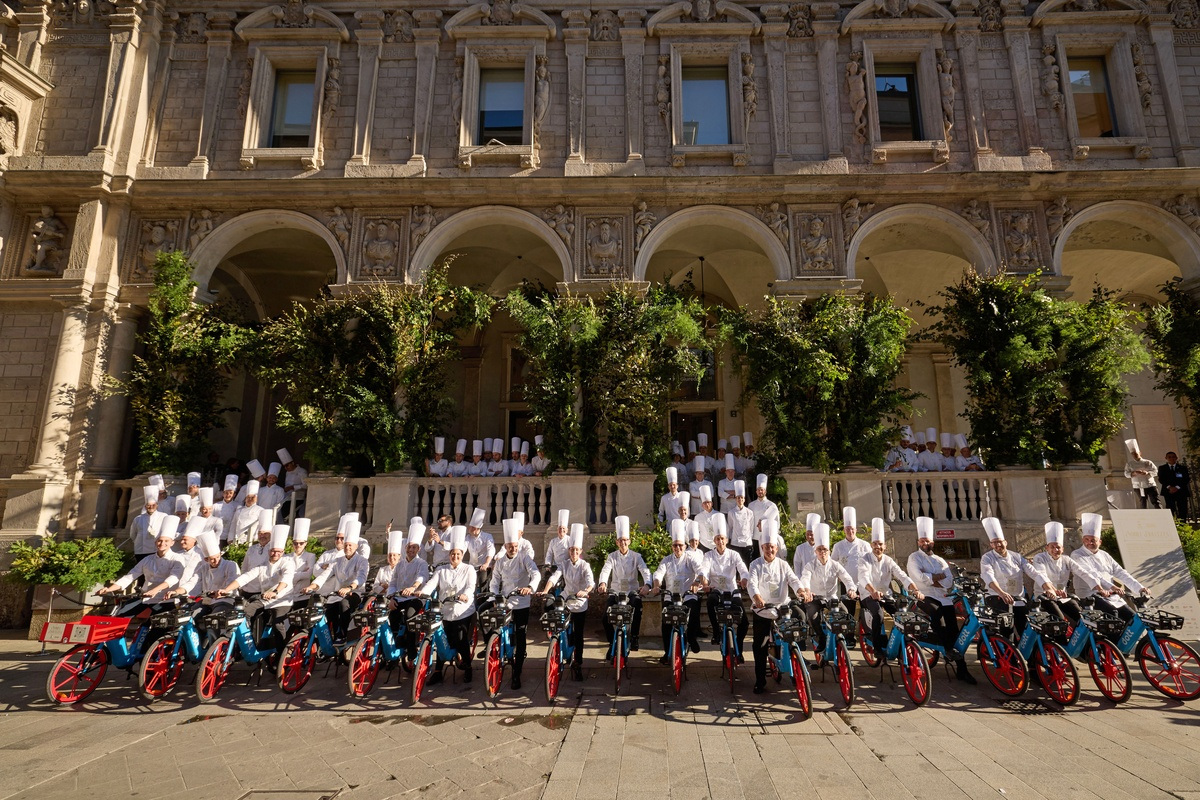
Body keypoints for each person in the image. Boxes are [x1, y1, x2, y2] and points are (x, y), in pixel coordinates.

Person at [906, 516, 976, 683]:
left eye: (927, 540)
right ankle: (946, 648)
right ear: (918, 542)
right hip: (923, 595)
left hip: (944, 597)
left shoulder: (940, 560)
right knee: (937, 612)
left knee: (955, 628)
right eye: (922, 540)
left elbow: (949, 581)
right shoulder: (913, 558)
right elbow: (918, 577)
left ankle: (962, 668)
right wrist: (937, 578)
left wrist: (933, 578)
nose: (925, 543)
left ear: (933, 542)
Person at [220, 524, 296, 651]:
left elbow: (286, 580)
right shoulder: (262, 566)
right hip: (265, 599)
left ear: (282, 552)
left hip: (282, 600)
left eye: (278, 551)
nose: (275, 553)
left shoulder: (287, 563)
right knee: (245, 612)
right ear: (268, 551)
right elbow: (245, 577)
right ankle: (248, 644)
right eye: (273, 550)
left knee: (277, 624)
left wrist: (276, 592)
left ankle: (282, 653)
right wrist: (226, 590)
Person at [747, 528, 804, 694]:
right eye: (766, 546)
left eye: (772, 547)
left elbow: (793, 579)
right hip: (762, 610)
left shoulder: (783, 564)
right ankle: (760, 680)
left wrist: (800, 590)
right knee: (760, 645)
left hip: (781, 607)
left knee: (797, 624)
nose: (769, 550)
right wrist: (757, 598)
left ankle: (797, 661)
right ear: (762, 548)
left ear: (776, 548)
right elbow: (752, 584)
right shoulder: (755, 565)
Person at [857, 518, 923, 663]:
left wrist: (915, 589)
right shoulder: (864, 559)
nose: (877, 547)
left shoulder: (888, 560)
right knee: (878, 615)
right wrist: (873, 591)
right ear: (871, 545)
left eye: (880, 544)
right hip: (868, 594)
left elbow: (901, 575)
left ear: (885, 546)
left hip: (885, 594)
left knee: (901, 615)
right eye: (875, 544)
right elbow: (863, 577)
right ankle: (878, 647)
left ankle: (899, 644)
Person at [418, 526, 478, 683]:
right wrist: (423, 593)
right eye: (452, 554)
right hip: (445, 608)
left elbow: (471, 586)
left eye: (458, 554)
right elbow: (432, 583)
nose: (455, 556)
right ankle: (438, 671)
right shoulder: (441, 569)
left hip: (463, 609)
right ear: (449, 555)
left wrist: (466, 595)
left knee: (461, 637)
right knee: (441, 638)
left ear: (462, 555)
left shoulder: (469, 569)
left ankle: (468, 666)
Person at [487, 518, 541, 689]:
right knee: (493, 625)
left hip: (522, 602)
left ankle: (517, 673)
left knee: (521, 634)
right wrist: (495, 596)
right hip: (505, 601)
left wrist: (530, 587)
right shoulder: (500, 561)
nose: (513, 549)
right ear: (506, 546)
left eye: (516, 546)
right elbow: (494, 581)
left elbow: (536, 574)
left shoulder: (524, 558)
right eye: (510, 546)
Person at [980, 517, 1056, 639]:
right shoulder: (987, 558)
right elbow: (988, 576)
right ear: (991, 544)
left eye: (1000, 541)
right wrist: (1002, 593)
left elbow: (1034, 573)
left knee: (1026, 628)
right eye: (994, 543)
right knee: (1007, 630)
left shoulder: (1016, 557)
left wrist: (1047, 588)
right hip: (996, 596)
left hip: (1017, 597)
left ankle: (1028, 655)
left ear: (1005, 542)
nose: (998, 545)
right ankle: (1008, 654)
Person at [1071, 512, 1151, 623]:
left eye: (1093, 540)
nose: (1090, 543)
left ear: (1100, 542)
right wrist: (1113, 587)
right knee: (1114, 616)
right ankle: (1110, 641)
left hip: (1111, 596)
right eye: (1086, 539)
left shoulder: (1104, 555)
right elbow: (1093, 574)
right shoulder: (1076, 555)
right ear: (1083, 540)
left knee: (1133, 618)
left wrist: (1140, 588)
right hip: (1090, 596)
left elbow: (1120, 572)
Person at [100, 516, 184, 617]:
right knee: (120, 616)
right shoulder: (147, 559)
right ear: (155, 542)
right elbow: (130, 576)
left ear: (172, 543)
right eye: (160, 540)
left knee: (152, 625)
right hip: (145, 598)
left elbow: (174, 578)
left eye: (166, 541)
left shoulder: (177, 558)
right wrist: (109, 589)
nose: (162, 543)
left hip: (166, 600)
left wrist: (155, 590)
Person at [540, 524, 594, 680]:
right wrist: (546, 590)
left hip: (579, 602)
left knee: (578, 635)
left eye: (577, 550)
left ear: (580, 551)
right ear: (569, 551)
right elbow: (554, 577)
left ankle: (578, 663)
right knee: (551, 606)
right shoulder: (564, 564)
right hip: (566, 597)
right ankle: (556, 640)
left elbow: (591, 581)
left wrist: (586, 590)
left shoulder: (585, 565)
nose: (574, 553)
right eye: (572, 550)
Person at [799, 523, 858, 664]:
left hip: (832, 598)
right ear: (815, 552)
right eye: (819, 549)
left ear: (829, 551)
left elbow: (847, 578)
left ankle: (843, 640)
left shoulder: (835, 565)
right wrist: (807, 591)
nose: (822, 552)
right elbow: (804, 578)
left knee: (846, 615)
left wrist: (851, 589)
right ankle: (821, 638)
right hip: (815, 598)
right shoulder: (810, 565)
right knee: (813, 617)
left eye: (824, 549)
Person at [306, 519, 369, 643]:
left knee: (344, 604)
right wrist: (312, 586)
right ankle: (329, 641)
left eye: (350, 545)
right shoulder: (337, 561)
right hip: (337, 594)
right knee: (328, 610)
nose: (347, 547)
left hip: (354, 593)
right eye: (346, 545)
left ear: (356, 546)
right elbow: (324, 575)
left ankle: (343, 634)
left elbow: (361, 577)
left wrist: (350, 587)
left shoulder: (362, 560)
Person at [653, 520, 707, 660]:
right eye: (675, 545)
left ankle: (692, 638)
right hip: (670, 596)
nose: (678, 548)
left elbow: (700, 570)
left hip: (687, 595)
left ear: (685, 546)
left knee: (693, 612)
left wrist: (697, 581)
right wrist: (656, 585)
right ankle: (667, 653)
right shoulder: (666, 560)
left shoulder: (691, 558)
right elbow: (659, 573)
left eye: (680, 545)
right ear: (672, 547)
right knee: (665, 623)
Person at [597, 515, 651, 652]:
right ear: (617, 542)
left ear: (630, 541)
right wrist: (602, 583)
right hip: (616, 592)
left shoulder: (636, 556)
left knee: (638, 606)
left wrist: (647, 585)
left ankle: (635, 637)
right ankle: (611, 644)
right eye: (621, 540)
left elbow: (644, 570)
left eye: (625, 540)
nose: (623, 543)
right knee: (605, 618)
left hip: (632, 591)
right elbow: (605, 570)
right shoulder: (612, 556)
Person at [1033, 521, 1104, 625]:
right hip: (1044, 596)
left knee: (1083, 618)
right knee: (1060, 621)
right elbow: (1041, 574)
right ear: (1047, 548)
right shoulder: (1039, 558)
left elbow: (1083, 572)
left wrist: (1100, 588)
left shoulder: (1066, 559)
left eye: (1058, 547)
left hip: (1062, 597)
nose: (1055, 550)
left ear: (1062, 549)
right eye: (1052, 547)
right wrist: (1052, 590)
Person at [703, 516, 749, 651]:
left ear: (727, 540)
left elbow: (742, 568)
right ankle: (716, 632)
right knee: (710, 601)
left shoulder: (734, 555)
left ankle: (739, 647)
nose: (720, 541)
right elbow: (704, 570)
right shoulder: (708, 556)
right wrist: (705, 582)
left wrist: (745, 578)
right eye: (717, 539)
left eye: (722, 538)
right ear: (714, 541)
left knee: (744, 622)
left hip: (732, 590)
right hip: (716, 589)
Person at [387, 521, 431, 660]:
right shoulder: (399, 564)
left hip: (415, 598)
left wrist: (413, 587)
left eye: (414, 547)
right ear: (405, 547)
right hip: (400, 598)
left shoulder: (421, 563)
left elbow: (422, 577)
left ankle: (411, 646)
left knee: (410, 617)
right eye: (409, 547)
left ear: (418, 549)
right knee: (392, 616)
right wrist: (391, 597)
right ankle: (396, 641)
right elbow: (393, 582)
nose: (411, 550)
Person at [831, 507, 870, 646]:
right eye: (847, 528)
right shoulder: (838, 546)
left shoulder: (865, 545)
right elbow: (833, 564)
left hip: (864, 583)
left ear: (856, 530)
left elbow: (871, 563)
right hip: (847, 583)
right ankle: (849, 638)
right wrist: (838, 578)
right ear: (844, 530)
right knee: (848, 612)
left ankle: (868, 637)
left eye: (852, 528)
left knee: (867, 610)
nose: (850, 531)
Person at [129, 485, 168, 562]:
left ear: (157, 505)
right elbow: (133, 535)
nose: (151, 507)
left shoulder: (163, 516)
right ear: (145, 506)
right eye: (148, 505)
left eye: (153, 505)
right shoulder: (138, 518)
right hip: (141, 550)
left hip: (156, 550)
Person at [1124, 438, 1161, 509]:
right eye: (1133, 454)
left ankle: (1161, 516)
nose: (1135, 455)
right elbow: (1126, 474)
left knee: (1156, 501)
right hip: (1138, 486)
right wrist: (1133, 473)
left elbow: (1155, 471)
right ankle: (1145, 518)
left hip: (1150, 484)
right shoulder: (1129, 464)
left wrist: (1147, 472)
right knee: (1143, 502)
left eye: (1136, 453)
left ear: (1140, 453)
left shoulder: (1148, 462)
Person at [464, 507, 496, 585]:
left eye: (471, 527)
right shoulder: (468, 538)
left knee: (483, 586)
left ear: (476, 528)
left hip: (484, 567)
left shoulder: (487, 536)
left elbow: (490, 550)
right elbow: (462, 548)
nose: (469, 529)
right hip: (472, 567)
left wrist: (486, 563)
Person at [725, 480, 755, 563]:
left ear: (744, 499)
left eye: (741, 497)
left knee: (747, 564)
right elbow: (730, 528)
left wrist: (749, 539)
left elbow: (751, 528)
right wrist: (732, 540)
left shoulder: (750, 512)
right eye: (738, 497)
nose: (740, 499)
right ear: (735, 499)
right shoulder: (731, 512)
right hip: (735, 543)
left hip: (747, 543)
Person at [285, 518, 316, 592]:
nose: (298, 545)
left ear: (305, 543)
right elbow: (282, 574)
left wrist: (291, 574)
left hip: (302, 592)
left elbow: (308, 574)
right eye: (295, 543)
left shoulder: (310, 556)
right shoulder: (286, 557)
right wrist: (301, 573)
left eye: (301, 543)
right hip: (286, 592)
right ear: (292, 544)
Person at [228, 480, 263, 546]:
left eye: (253, 497)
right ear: (245, 498)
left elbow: (260, 527)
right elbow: (233, 524)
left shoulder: (260, 510)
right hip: (236, 540)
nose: (250, 499)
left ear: (256, 499)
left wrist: (255, 541)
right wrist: (230, 538)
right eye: (248, 497)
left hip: (251, 541)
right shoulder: (239, 510)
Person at [278, 447, 308, 518]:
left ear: (292, 463)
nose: (286, 468)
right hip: (287, 497)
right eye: (284, 466)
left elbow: (306, 485)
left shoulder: (302, 471)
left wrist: (292, 487)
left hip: (298, 498)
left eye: (287, 465)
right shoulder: (287, 473)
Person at [1159, 451, 1190, 518]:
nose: (1171, 458)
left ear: (1176, 458)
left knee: (1182, 509)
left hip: (1181, 491)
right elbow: (1161, 479)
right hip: (1168, 491)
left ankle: (1183, 525)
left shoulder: (1182, 468)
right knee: (1170, 509)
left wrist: (1177, 487)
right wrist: (1170, 487)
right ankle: (1172, 523)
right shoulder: (1162, 468)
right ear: (1166, 458)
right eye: (1169, 457)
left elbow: (1186, 479)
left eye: (1173, 457)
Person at [544, 509, 571, 575]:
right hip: (555, 568)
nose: (561, 530)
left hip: (567, 567)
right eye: (560, 528)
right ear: (557, 530)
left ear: (567, 530)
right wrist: (548, 564)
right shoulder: (553, 541)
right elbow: (549, 554)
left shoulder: (569, 540)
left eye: (563, 528)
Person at [693, 486, 719, 551]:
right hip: (704, 544)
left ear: (712, 503)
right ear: (702, 505)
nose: (707, 505)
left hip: (717, 544)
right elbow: (696, 531)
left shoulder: (718, 515)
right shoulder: (697, 517)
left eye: (708, 502)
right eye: (705, 503)